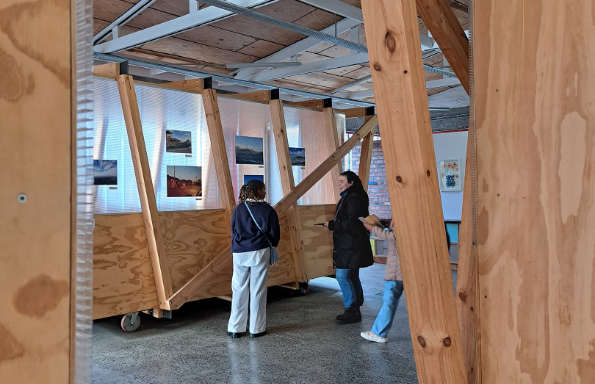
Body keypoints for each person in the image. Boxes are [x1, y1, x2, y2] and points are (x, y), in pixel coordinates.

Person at [228, 180, 280, 338]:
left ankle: (235, 328)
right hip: (259, 250)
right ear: (258, 191)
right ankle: (256, 329)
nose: (265, 192)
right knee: (258, 289)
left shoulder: (239, 209)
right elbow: (274, 234)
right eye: (263, 189)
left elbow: (233, 229)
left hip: (239, 252)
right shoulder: (268, 210)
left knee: (238, 289)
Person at [324, 171, 373, 324]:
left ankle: (351, 310)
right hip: (352, 244)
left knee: (342, 276)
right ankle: (356, 305)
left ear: (351, 183)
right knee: (351, 275)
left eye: (341, 181)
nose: (338, 184)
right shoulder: (353, 196)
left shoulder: (353, 198)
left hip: (350, 245)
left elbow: (352, 223)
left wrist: (332, 225)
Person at [360, 217, 403, 343]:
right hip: (402, 268)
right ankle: (379, 332)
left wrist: (372, 229)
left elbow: (393, 236)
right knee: (390, 301)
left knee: (389, 300)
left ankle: (379, 333)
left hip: (397, 270)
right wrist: (387, 223)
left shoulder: (406, 212)